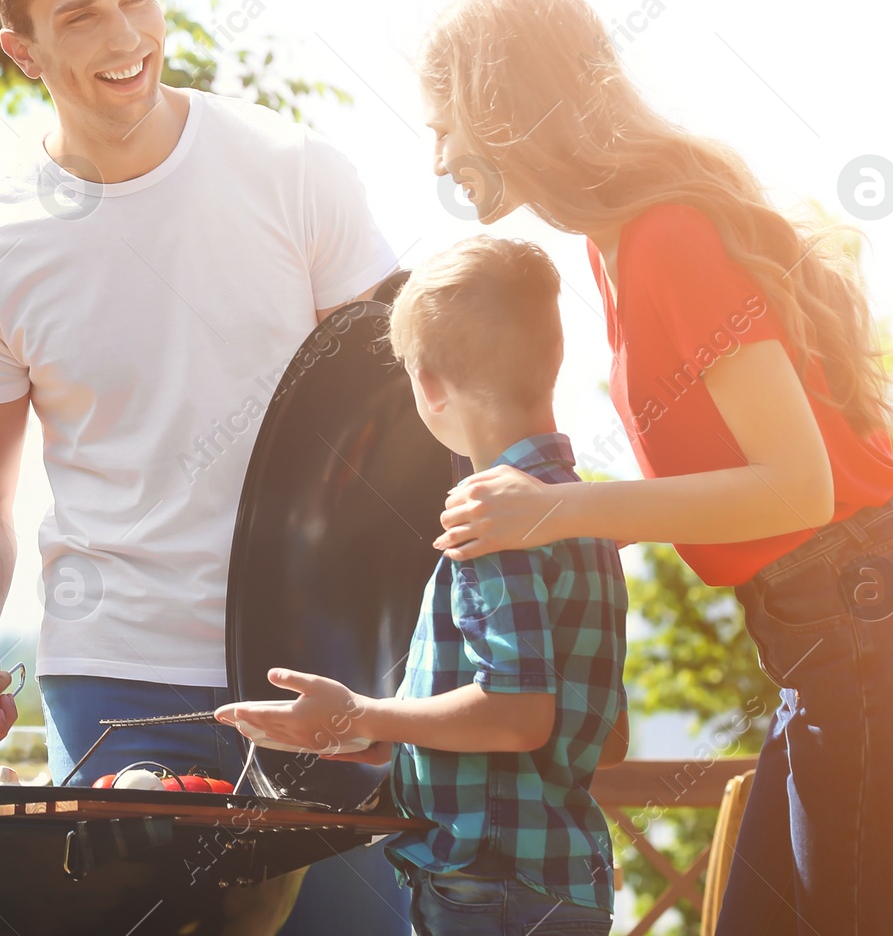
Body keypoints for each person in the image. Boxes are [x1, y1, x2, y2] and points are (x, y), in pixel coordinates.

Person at [414, 0, 893, 934]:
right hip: (835, 642)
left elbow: (797, 486)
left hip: (880, 632)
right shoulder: (616, 248)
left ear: (506, 110)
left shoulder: (665, 237)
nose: (436, 153)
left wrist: (557, 510)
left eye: (445, 125)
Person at [0, 0, 408, 932]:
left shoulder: (293, 174)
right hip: (115, 686)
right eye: (80, 14)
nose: (125, 32)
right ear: (23, 51)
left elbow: (411, 417)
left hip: (321, 673)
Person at [219, 235, 630, 936]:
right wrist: (386, 736)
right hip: (564, 881)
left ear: (429, 386)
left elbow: (518, 712)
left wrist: (364, 714)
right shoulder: (587, 518)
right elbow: (603, 735)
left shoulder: (491, 519)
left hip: (488, 887)